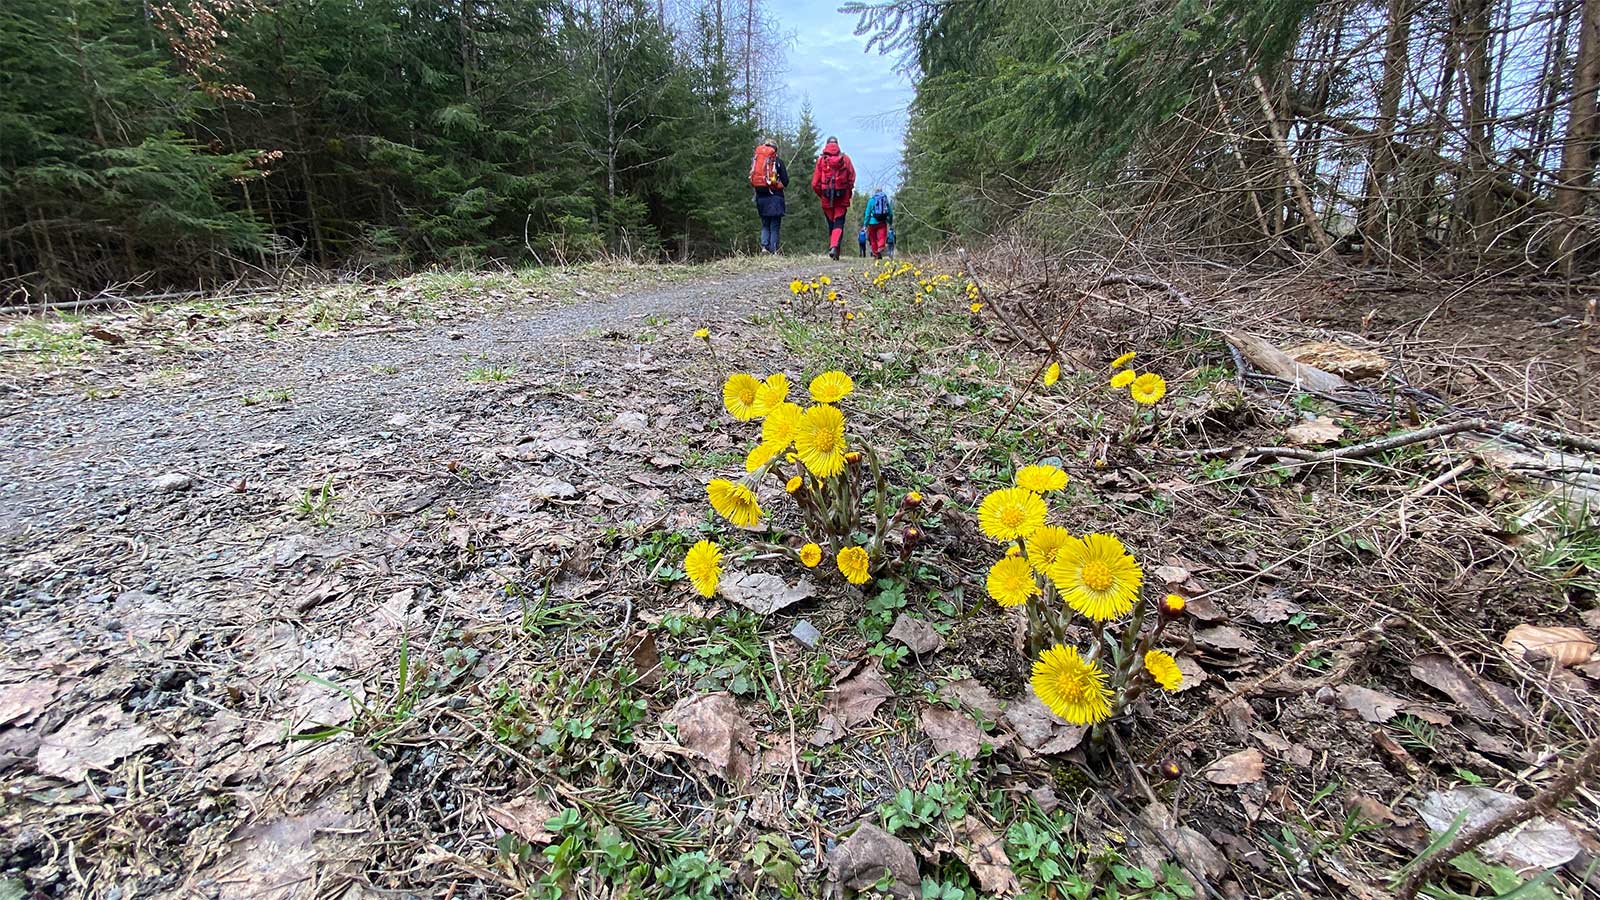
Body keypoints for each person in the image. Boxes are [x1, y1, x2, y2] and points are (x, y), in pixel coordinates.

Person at [810, 136, 856, 259]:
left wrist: (822, 194)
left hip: (826, 198)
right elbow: (852, 178)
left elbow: (815, 183)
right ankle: (835, 247)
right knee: (839, 224)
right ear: (837, 144)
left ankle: (834, 249)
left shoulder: (821, 160)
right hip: (842, 198)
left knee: (832, 225)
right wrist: (848, 191)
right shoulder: (845, 159)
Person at [749, 138, 789, 254]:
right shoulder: (778, 162)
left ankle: (764, 247)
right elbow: (786, 181)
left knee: (765, 224)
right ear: (775, 149)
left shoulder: (757, 161)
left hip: (761, 196)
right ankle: (774, 250)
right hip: (775, 197)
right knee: (775, 225)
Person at [863, 187, 893, 259]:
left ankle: (876, 253)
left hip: (872, 223)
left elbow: (867, 213)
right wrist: (890, 222)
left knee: (873, 239)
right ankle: (880, 247)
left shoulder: (871, 200)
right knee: (882, 237)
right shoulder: (885, 200)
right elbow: (890, 213)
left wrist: (865, 224)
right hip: (882, 222)